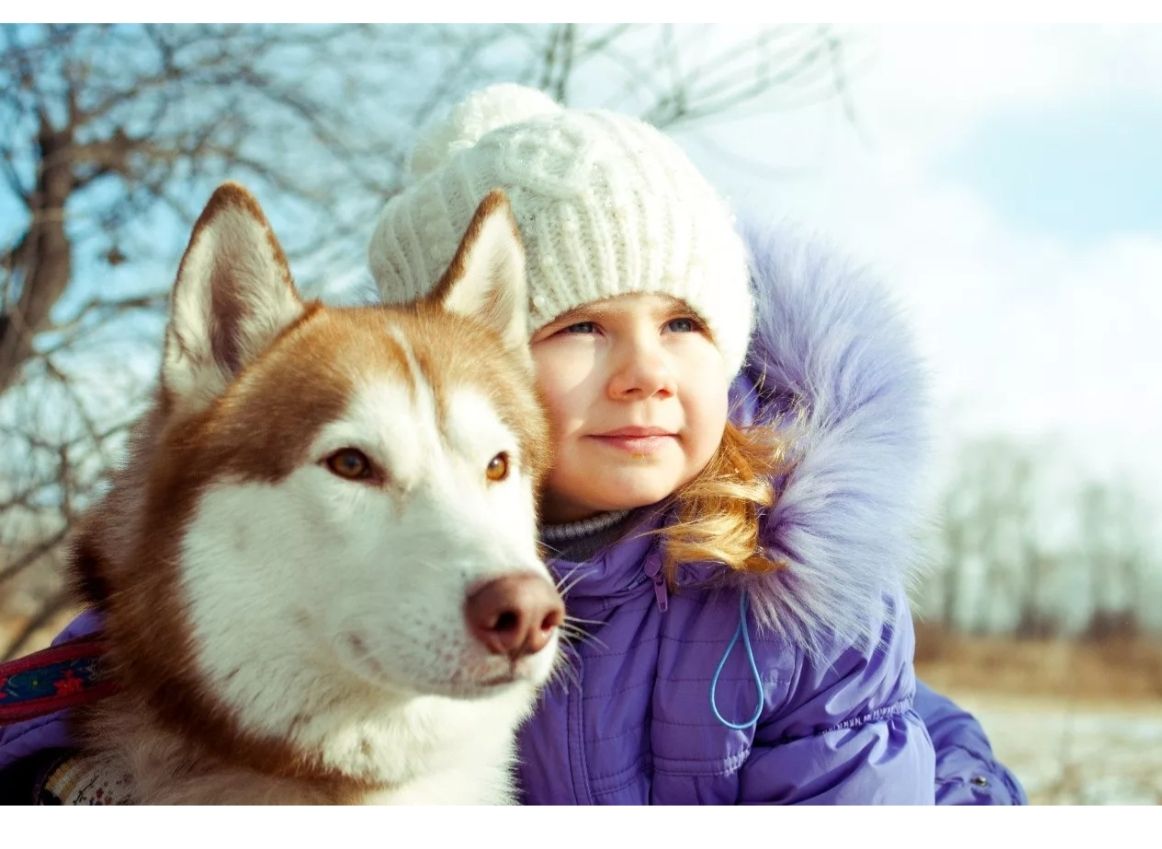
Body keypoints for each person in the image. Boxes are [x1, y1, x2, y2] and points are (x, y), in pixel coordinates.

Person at [0, 84, 1025, 805]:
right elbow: (130, 659)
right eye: (579, 327)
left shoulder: (796, 595)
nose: (644, 373)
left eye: (685, 325)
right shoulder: (509, 532)